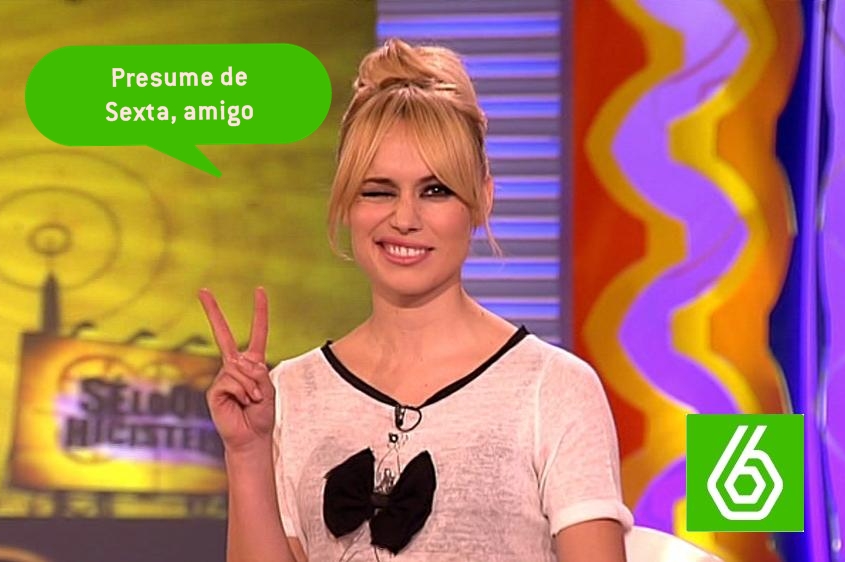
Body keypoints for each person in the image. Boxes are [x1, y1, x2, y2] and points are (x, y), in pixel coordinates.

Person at [199, 38, 633, 562]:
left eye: (435, 191)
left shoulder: (553, 389)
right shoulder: (291, 392)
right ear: (347, 202)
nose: (404, 218)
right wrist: (247, 452)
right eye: (378, 191)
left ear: (482, 199)